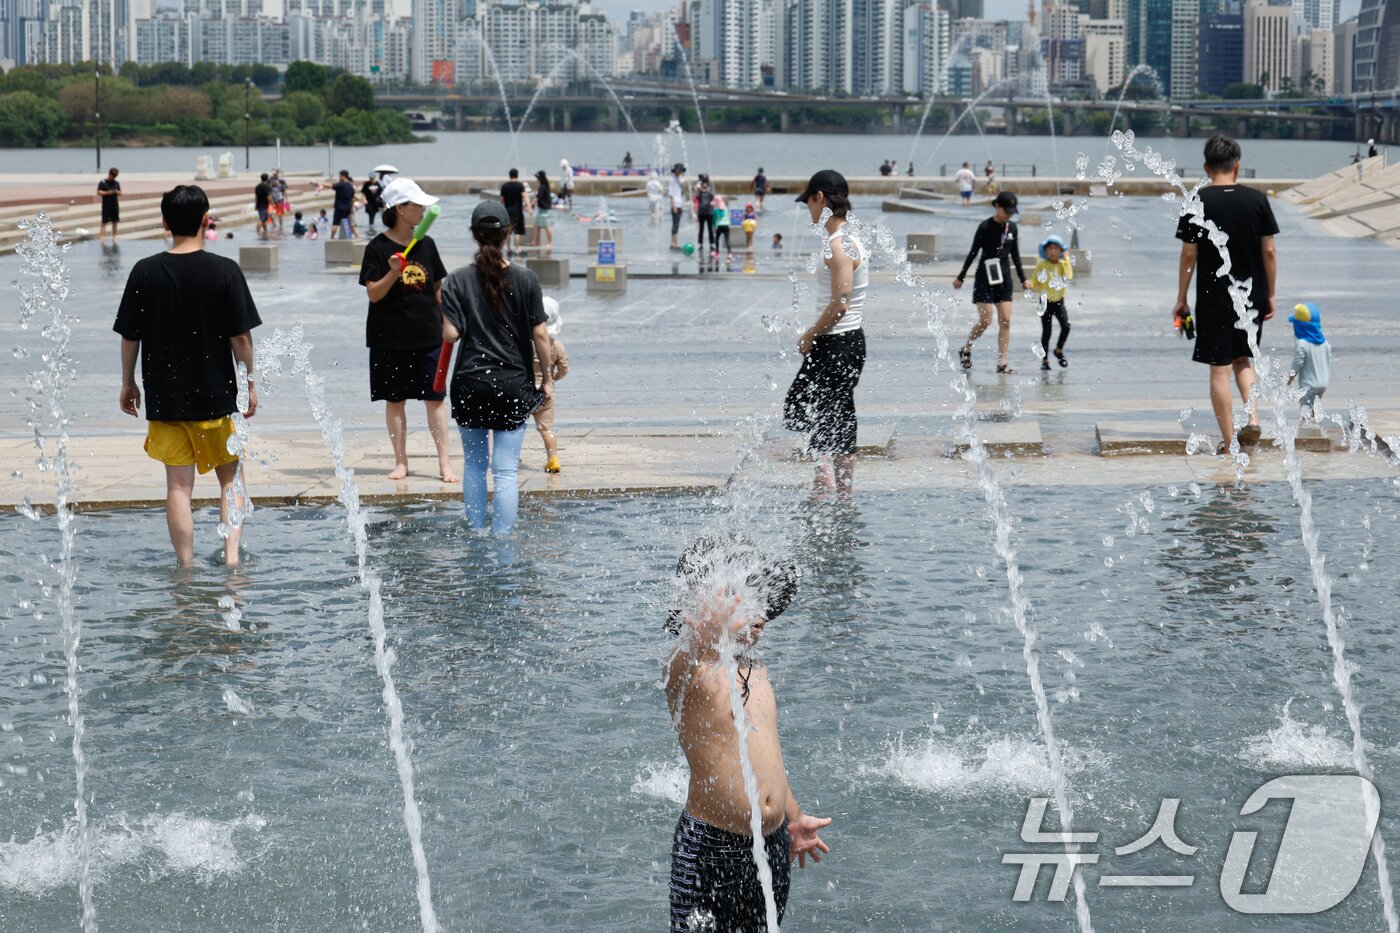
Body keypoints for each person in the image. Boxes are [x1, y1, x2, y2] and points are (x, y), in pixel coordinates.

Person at [663, 534, 832, 933]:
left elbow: (767, 758)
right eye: (745, 597)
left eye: (762, 600)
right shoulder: (692, 669)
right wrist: (702, 635)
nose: (759, 612)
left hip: (771, 842)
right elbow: (684, 661)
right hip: (711, 847)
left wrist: (794, 815)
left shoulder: (759, 672)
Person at [113, 185, 260, 567]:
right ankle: (231, 559)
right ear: (205, 220)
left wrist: (128, 382)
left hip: (165, 399)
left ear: (164, 222)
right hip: (215, 397)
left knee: (178, 486)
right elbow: (240, 338)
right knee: (230, 479)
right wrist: (249, 383)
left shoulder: (144, 271)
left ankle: (186, 564)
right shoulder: (224, 270)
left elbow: (131, 336)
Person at [438, 201, 555, 534]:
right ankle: (503, 543)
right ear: (508, 233)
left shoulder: (457, 281)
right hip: (512, 385)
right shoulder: (526, 278)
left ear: (474, 235)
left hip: (470, 383)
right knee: (505, 471)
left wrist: (440, 306)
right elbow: (541, 335)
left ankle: (476, 536)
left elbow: (451, 334)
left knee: (475, 467)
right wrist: (547, 381)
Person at [1172, 134, 1278, 455]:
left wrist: (1181, 298)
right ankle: (1254, 418)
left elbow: (1189, 256)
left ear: (1206, 167)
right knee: (1243, 359)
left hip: (1213, 296)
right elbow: (1269, 252)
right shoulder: (1258, 201)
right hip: (1251, 295)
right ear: (1238, 166)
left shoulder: (1196, 201)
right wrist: (1270, 294)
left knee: (1219, 368)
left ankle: (1230, 441)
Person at [359, 177, 457, 483]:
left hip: (429, 335)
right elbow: (374, 293)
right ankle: (400, 462)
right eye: (417, 205)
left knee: (436, 400)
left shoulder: (427, 244)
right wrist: (392, 272)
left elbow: (438, 288)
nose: (422, 210)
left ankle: (445, 463)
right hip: (389, 337)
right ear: (401, 209)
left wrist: (448, 323)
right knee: (395, 400)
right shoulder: (377, 248)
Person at [784, 170, 868, 499]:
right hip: (849, 342)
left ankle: (823, 485)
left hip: (836, 342)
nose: (808, 210)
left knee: (802, 406)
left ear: (819, 197)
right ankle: (843, 491)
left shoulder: (838, 245)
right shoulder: (852, 239)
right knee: (840, 411)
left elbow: (839, 305)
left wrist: (809, 335)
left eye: (808, 202)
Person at [954, 190, 1028, 374]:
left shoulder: (1013, 228)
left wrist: (1023, 279)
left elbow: (1016, 256)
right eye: (1007, 210)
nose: (1010, 214)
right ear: (997, 206)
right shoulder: (985, 227)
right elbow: (973, 252)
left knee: (1006, 321)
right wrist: (961, 277)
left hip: (1004, 279)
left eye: (1012, 211)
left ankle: (1002, 363)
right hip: (984, 278)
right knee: (986, 320)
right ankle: (966, 348)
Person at [532, 297, 569, 473]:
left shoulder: (526, 344)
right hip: (546, 391)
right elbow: (564, 368)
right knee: (546, 429)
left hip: (524, 389)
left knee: (516, 426)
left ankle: (511, 456)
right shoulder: (557, 346)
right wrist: (553, 378)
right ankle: (552, 459)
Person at [1030, 235, 1073, 370]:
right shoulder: (1042, 264)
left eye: (1055, 248)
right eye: (1049, 249)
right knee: (1047, 332)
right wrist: (1028, 284)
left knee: (1066, 326)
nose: (1053, 251)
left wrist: (1066, 259)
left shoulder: (1063, 264)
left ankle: (1058, 350)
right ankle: (1045, 360)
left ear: (1060, 250)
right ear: (1045, 251)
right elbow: (1034, 281)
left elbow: (1068, 277)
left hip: (1059, 301)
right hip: (1045, 302)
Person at [1287, 303, 1331, 418]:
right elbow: (1328, 361)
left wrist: (1290, 378)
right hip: (1323, 383)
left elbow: (1298, 362)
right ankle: (1316, 431)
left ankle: (1308, 433)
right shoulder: (1325, 344)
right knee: (1315, 408)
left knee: (1305, 412)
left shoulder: (1303, 344)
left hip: (1308, 384)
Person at [501, 168, 528, 254]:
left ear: (509, 175)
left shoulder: (504, 186)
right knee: (517, 231)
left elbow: (501, 200)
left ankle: (508, 249)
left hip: (507, 211)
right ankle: (517, 248)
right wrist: (529, 207)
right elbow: (524, 196)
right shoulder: (520, 186)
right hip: (518, 211)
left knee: (508, 232)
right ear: (517, 175)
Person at [531, 170, 555, 250]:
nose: (537, 179)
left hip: (544, 210)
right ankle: (534, 241)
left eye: (537, 178)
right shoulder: (544, 186)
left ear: (540, 178)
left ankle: (551, 243)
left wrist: (530, 205)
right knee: (536, 226)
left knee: (547, 226)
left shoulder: (542, 187)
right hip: (542, 209)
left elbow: (537, 197)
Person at [694, 174, 716, 256]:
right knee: (701, 230)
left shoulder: (710, 191)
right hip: (701, 213)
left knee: (710, 229)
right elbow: (696, 191)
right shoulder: (699, 192)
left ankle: (712, 244)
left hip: (709, 212)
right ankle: (700, 244)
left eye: (706, 186)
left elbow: (713, 193)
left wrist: (707, 187)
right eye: (703, 187)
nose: (704, 187)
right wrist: (699, 184)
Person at [97, 167, 121, 245]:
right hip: (106, 205)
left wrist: (116, 192)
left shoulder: (116, 183)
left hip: (114, 205)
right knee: (104, 222)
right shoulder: (103, 182)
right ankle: (102, 238)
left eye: (115, 176)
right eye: (112, 176)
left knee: (115, 222)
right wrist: (108, 193)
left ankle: (114, 237)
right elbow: (98, 192)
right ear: (109, 174)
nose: (113, 178)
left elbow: (120, 192)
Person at [331, 170, 357, 239]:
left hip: (339, 207)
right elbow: (352, 198)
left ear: (343, 176)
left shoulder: (341, 184)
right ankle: (348, 237)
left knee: (335, 224)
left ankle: (332, 237)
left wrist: (319, 183)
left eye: (340, 176)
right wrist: (351, 208)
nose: (339, 177)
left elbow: (331, 186)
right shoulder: (351, 186)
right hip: (347, 208)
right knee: (346, 223)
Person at [669, 163, 688, 250]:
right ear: (675, 170)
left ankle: (674, 243)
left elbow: (681, 194)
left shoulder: (678, 179)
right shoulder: (672, 179)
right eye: (678, 170)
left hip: (679, 204)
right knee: (675, 224)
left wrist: (681, 206)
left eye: (681, 170)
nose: (679, 171)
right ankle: (674, 243)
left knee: (677, 224)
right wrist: (674, 206)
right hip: (675, 204)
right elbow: (671, 194)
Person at [712, 191, 732, 257]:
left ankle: (717, 252)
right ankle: (729, 253)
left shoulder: (715, 210)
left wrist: (714, 227)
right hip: (726, 225)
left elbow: (714, 220)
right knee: (727, 240)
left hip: (719, 226)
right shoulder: (726, 209)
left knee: (717, 239)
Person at [254, 173, 272, 238]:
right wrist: (272, 204)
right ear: (267, 179)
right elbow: (268, 196)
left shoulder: (257, 187)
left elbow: (256, 196)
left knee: (264, 219)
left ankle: (265, 231)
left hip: (259, 204)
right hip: (264, 205)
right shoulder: (266, 187)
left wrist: (256, 205)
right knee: (261, 219)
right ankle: (257, 231)